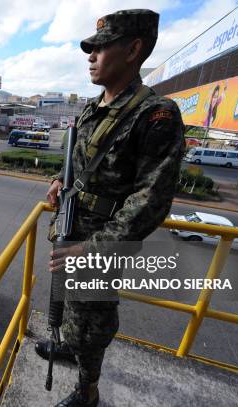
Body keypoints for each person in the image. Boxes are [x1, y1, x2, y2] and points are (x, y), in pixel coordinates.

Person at [35, 9, 185, 407]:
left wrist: (93, 249)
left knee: (93, 322)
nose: (91, 56)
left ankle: (88, 389)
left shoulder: (156, 114)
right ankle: (69, 347)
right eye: (91, 49)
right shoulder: (93, 107)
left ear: (133, 49)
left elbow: (151, 199)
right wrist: (58, 181)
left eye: (101, 47)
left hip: (99, 244)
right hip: (70, 228)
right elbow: (78, 161)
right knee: (67, 305)